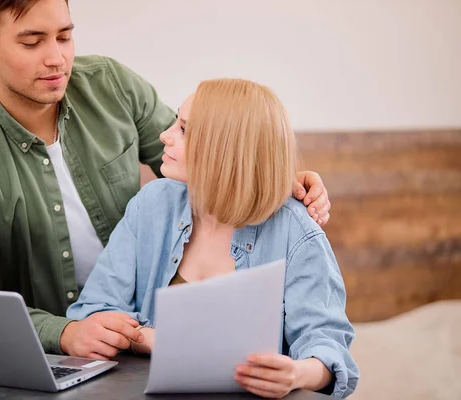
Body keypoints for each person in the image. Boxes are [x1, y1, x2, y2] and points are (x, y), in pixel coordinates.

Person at [0, 0, 332, 357]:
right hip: (47, 357)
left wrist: (267, 176)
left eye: (65, 37)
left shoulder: (112, 86)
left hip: (134, 352)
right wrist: (64, 332)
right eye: (32, 42)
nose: (56, 58)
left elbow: (204, 160)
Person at [67, 79, 358, 398]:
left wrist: (296, 374)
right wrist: (155, 338)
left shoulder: (296, 230)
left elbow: (329, 349)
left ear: (226, 151)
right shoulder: (151, 205)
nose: (165, 136)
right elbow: (95, 310)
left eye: (183, 129)